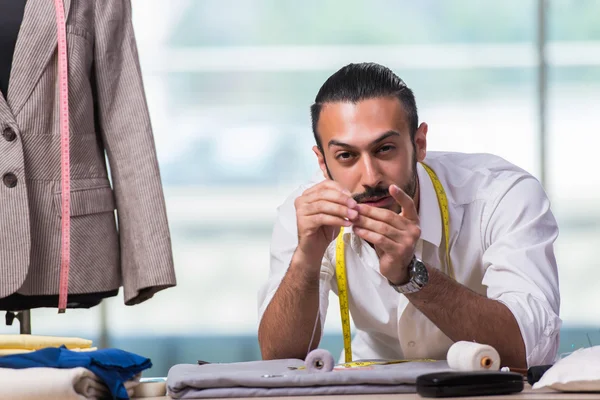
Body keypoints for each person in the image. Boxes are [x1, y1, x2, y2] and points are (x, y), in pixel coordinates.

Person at [257, 62, 561, 369]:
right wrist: (305, 260)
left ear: (419, 143)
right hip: (370, 388)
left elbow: (532, 349)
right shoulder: (307, 215)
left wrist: (411, 276)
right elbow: (278, 361)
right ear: (323, 164)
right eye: (346, 156)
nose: (370, 176)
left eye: (385, 149)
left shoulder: (502, 196)